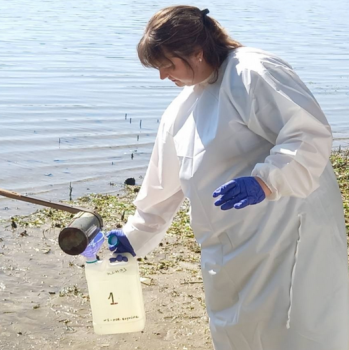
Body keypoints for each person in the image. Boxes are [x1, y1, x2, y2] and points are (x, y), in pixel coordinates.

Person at [106, 5, 349, 350]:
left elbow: (308, 135)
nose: (163, 77)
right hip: (228, 252)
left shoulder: (252, 71)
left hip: (288, 237)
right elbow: (162, 188)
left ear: (197, 52)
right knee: (239, 335)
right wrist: (132, 237)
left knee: (297, 329)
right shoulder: (180, 110)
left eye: (167, 65)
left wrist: (265, 181)